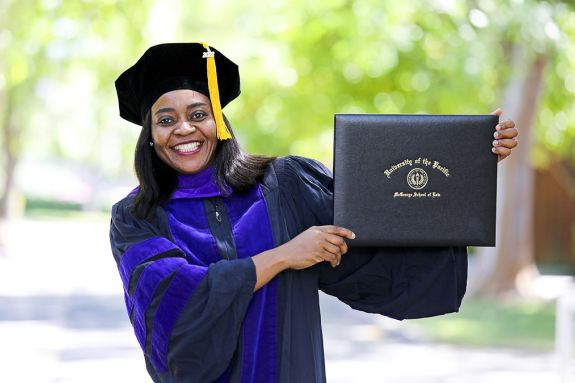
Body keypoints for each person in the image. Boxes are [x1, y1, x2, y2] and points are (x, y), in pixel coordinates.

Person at [110, 42, 518, 383]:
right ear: (150, 137)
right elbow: (176, 304)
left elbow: (381, 227)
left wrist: (468, 170)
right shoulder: (136, 216)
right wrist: (286, 255)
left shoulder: (282, 185)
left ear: (219, 123)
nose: (184, 129)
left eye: (198, 113)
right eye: (166, 120)